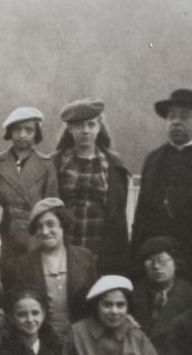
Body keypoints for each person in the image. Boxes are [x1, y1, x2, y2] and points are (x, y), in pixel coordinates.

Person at [132, 88, 192, 262]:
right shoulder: (153, 160)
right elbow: (141, 215)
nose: (176, 122)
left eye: (184, 116)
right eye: (171, 116)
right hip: (156, 258)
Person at [52, 98, 133, 275]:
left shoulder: (113, 165)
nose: (86, 131)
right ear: (70, 129)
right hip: (65, 248)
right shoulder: (56, 163)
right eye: (79, 126)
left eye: (91, 125)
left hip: (102, 251)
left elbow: (118, 215)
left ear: (99, 127)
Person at [4, 197, 98, 346]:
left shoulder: (85, 259)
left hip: (81, 340)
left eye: (50, 224)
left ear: (63, 225)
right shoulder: (24, 264)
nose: (45, 231)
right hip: (41, 341)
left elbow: (96, 301)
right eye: (40, 227)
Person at [0, 106, 58, 236]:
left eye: (29, 130)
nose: (22, 135)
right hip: (2, 229)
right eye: (17, 129)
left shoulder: (47, 165)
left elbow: (51, 206)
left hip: (33, 231)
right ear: (10, 132)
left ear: (36, 133)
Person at [130, 235, 192, 346]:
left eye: (162, 260)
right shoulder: (132, 297)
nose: (156, 266)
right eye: (150, 261)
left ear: (175, 263)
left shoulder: (191, 297)